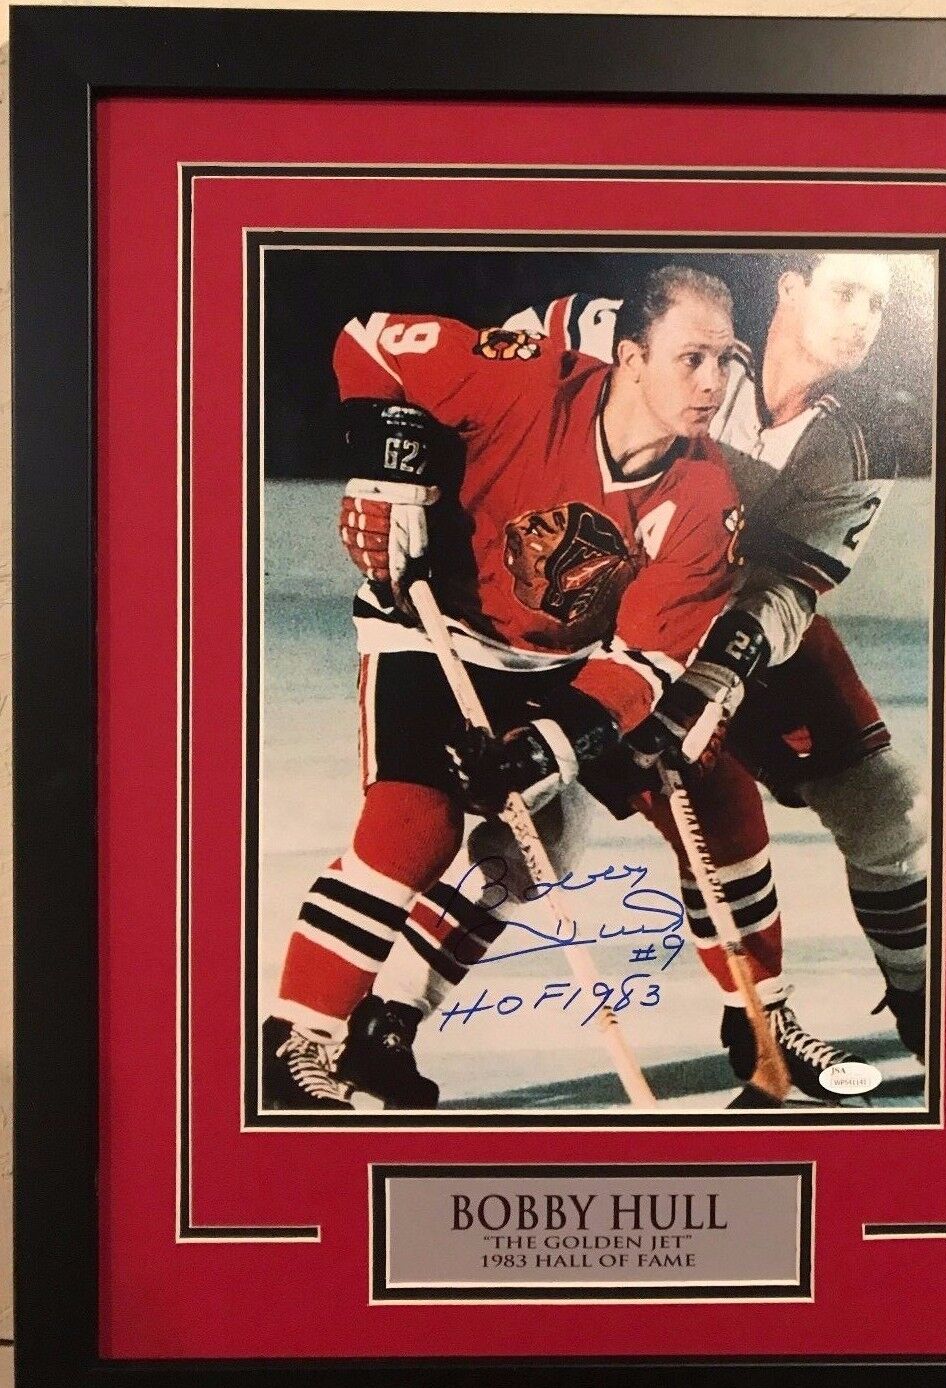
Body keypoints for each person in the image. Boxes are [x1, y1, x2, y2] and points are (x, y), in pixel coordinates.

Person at [262, 265, 755, 1112]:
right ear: (632, 357)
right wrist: (386, 468)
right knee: (415, 823)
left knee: (544, 842)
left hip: (555, 666)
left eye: (727, 359)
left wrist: (544, 750)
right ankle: (296, 1037)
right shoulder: (525, 381)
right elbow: (370, 340)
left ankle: (388, 1022)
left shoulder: (708, 497)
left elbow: (642, 661)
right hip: (433, 626)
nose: (714, 383)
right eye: (692, 358)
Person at [501, 253, 931, 1074]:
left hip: (737, 623)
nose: (863, 319)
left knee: (885, 805)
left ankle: (921, 1000)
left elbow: (794, 582)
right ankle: (377, 1015)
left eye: (879, 303)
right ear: (790, 287)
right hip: (612, 619)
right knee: (542, 834)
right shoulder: (679, 338)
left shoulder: (863, 430)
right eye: (845, 293)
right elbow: (516, 351)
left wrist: (720, 669)